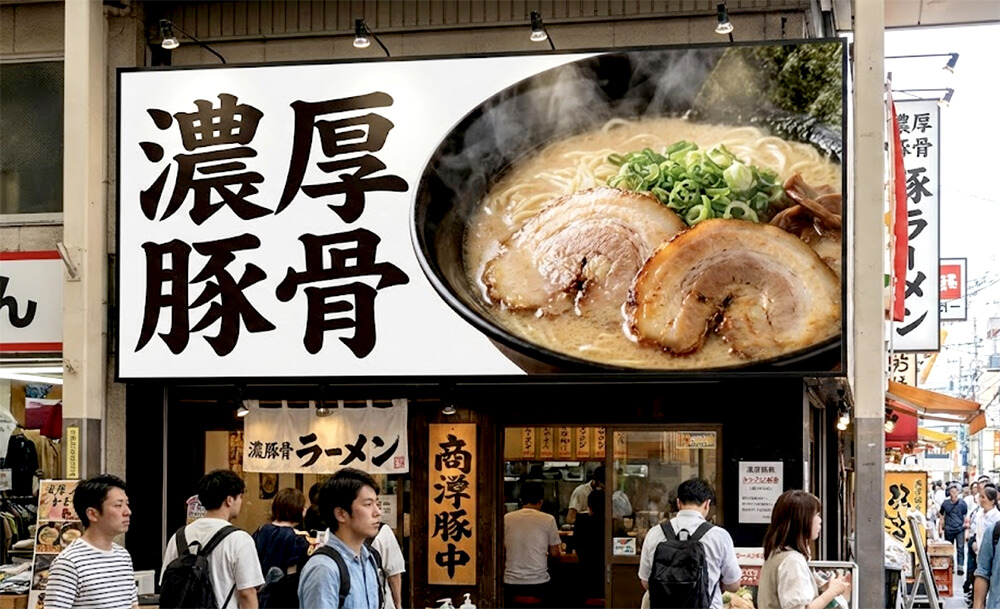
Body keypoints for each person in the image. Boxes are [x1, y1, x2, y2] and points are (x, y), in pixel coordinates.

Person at [162, 469, 264, 609]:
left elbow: (165, 584)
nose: (241, 502)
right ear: (229, 500)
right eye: (240, 497)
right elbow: (247, 593)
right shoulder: (240, 539)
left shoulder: (178, 537)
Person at [638, 478, 741, 609]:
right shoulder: (719, 536)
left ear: (678, 503)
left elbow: (646, 582)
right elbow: (733, 584)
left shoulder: (655, 533)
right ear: (707, 504)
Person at [44, 474, 138, 609]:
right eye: (118, 505)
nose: (127, 512)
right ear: (92, 514)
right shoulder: (69, 563)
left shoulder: (123, 556)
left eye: (127, 504)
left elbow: (133, 605)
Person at [298, 468, 382, 608]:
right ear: (341, 514)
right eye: (368, 504)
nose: (377, 512)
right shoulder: (324, 569)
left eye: (377, 504)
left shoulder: (369, 558)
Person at [757, 490, 850, 609]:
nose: (820, 521)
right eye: (816, 515)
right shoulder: (792, 561)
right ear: (802, 520)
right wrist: (832, 592)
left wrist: (823, 588)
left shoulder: (776, 554)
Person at [504, 482, 562, 604]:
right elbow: (555, 553)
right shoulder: (548, 519)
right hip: (539, 583)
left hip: (510, 583)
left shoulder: (506, 518)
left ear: (520, 500)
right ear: (541, 501)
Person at [253, 488, 310, 604]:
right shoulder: (296, 540)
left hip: (257, 594)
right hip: (280, 599)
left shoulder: (261, 530)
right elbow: (291, 576)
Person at [574, 489, 606, 602]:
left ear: (589, 506)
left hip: (585, 584)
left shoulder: (581, 521)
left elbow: (575, 545)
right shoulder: (613, 524)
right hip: (606, 583)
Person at [969, 485, 1000, 603]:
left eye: (983, 497)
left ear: (992, 501)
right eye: (980, 497)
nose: (981, 499)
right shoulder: (982, 516)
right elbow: (982, 573)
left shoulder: (996, 516)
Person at [369, 521, 406, 609]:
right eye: (367, 506)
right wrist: (398, 604)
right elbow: (394, 573)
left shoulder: (331, 533)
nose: (377, 512)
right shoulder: (383, 532)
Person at [941, 483, 969, 576]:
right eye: (952, 491)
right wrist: (941, 527)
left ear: (958, 492)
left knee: (960, 548)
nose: (954, 493)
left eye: (955, 491)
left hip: (960, 528)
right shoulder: (945, 503)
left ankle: (960, 566)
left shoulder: (962, 503)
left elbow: (965, 515)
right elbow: (941, 515)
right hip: (949, 528)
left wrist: (966, 529)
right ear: (949, 492)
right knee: (949, 548)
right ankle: (950, 565)